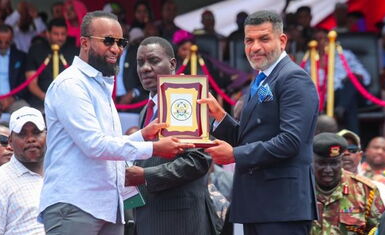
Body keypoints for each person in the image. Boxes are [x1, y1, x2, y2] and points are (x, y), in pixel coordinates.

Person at [39, 11, 193, 234]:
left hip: (108, 207)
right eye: (108, 41)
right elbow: (95, 145)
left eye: (120, 42)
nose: (116, 49)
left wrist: (142, 135)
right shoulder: (71, 84)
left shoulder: (99, 83)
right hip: (75, 205)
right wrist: (153, 147)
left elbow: (107, 144)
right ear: (84, 42)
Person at [200, 10, 319, 234]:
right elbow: (249, 138)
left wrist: (234, 155)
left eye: (264, 38)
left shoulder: (293, 78)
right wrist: (219, 116)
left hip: (282, 206)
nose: (255, 47)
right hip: (258, 203)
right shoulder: (264, 77)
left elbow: (290, 141)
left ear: (282, 40)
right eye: (249, 40)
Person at [125, 36, 219, 235]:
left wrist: (144, 176)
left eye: (153, 60)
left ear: (172, 63)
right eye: (140, 62)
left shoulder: (184, 98)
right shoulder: (146, 110)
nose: (145, 68)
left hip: (179, 222)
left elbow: (199, 160)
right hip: (148, 219)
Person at [0, 107, 46, 234]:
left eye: (36, 132)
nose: (31, 139)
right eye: (22, 134)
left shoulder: (62, 173)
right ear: (10, 140)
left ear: (47, 135)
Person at [311, 132, 385, 234]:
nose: (328, 169)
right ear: (312, 161)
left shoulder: (365, 191)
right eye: (322, 163)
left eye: (334, 163)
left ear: (341, 161)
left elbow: (381, 230)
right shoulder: (300, 189)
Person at [25, 18, 78, 111]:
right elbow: (32, 83)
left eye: (63, 34)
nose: (60, 38)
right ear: (47, 33)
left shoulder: (74, 51)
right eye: (56, 34)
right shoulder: (35, 50)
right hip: (40, 101)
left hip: (69, 102)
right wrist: (46, 98)